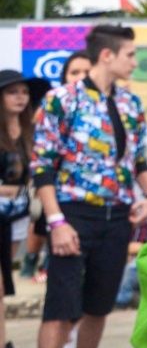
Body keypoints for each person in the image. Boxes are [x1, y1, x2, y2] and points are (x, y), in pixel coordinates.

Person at [28, 24, 147, 348]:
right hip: (72, 213)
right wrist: (56, 222)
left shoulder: (130, 102)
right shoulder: (61, 99)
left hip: (118, 215)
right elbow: (42, 166)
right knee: (59, 308)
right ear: (108, 56)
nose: (135, 62)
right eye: (131, 55)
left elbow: (137, 157)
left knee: (99, 306)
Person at [18, 53, 93, 286]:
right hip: (50, 183)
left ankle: (47, 268)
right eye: (74, 72)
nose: (81, 78)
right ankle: (31, 264)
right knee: (42, 222)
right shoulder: (54, 103)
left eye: (86, 72)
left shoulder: (106, 106)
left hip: (85, 195)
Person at [1, 67, 52, 348]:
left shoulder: (33, 129)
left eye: (24, 92)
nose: (20, 97)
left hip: (18, 219)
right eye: (12, 91)